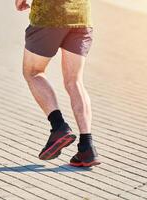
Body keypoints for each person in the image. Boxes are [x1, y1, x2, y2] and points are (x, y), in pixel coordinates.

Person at [15, 0, 100, 167]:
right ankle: (87, 146)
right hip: (81, 15)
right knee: (74, 81)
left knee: (33, 72)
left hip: (50, 15)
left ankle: (59, 126)